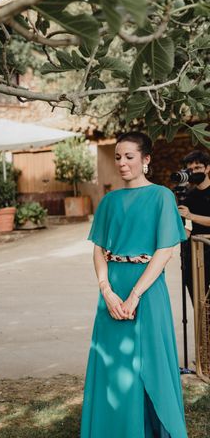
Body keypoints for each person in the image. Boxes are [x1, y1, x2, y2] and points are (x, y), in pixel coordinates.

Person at [80, 132, 188, 438]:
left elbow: (164, 251)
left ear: (146, 159)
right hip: (112, 292)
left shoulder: (161, 197)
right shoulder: (110, 201)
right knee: (114, 364)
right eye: (118, 157)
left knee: (150, 360)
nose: (122, 163)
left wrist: (135, 295)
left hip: (147, 290)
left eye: (129, 156)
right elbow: (99, 248)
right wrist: (107, 291)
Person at [177, 150, 210, 302]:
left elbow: (192, 218)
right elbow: (186, 229)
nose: (193, 172)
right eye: (190, 170)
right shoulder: (188, 196)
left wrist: (191, 216)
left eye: (198, 168)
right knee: (199, 306)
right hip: (194, 256)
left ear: (207, 168)